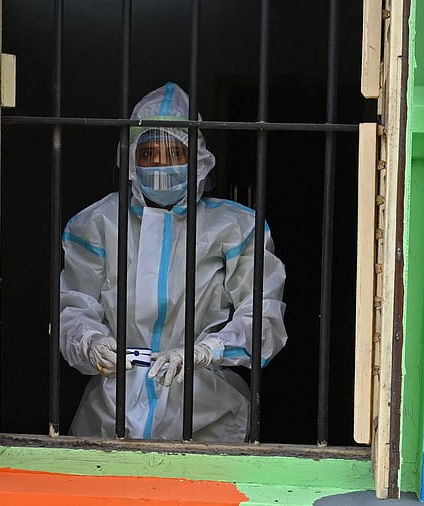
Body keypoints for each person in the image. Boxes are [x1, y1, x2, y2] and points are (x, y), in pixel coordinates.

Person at [59, 82, 288, 442]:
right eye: (148, 153)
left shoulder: (237, 227)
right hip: (110, 409)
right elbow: (73, 309)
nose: (160, 164)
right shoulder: (96, 224)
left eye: (175, 153)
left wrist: (207, 350)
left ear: (198, 159)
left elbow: (263, 316)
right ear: (130, 159)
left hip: (207, 413)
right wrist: (90, 341)